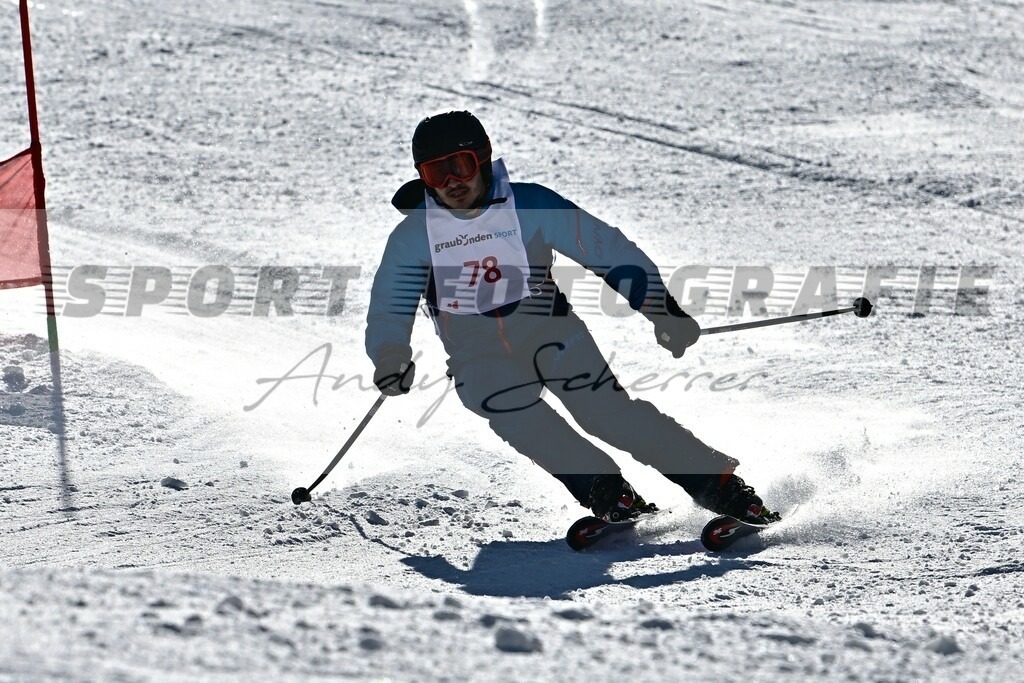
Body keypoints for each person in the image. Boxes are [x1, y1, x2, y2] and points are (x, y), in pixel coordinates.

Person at [365, 110, 778, 525]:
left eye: (461, 165)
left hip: (552, 332)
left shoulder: (530, 205)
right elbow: (389, 304)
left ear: (484, 158)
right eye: (437, 173)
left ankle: (720, 485)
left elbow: (608, 251)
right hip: (477, 356)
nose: (452, 181)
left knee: (605, 414)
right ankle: (604, 488)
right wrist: (389, 354)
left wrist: (660, 308)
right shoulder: (414, 236)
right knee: (500, 401)